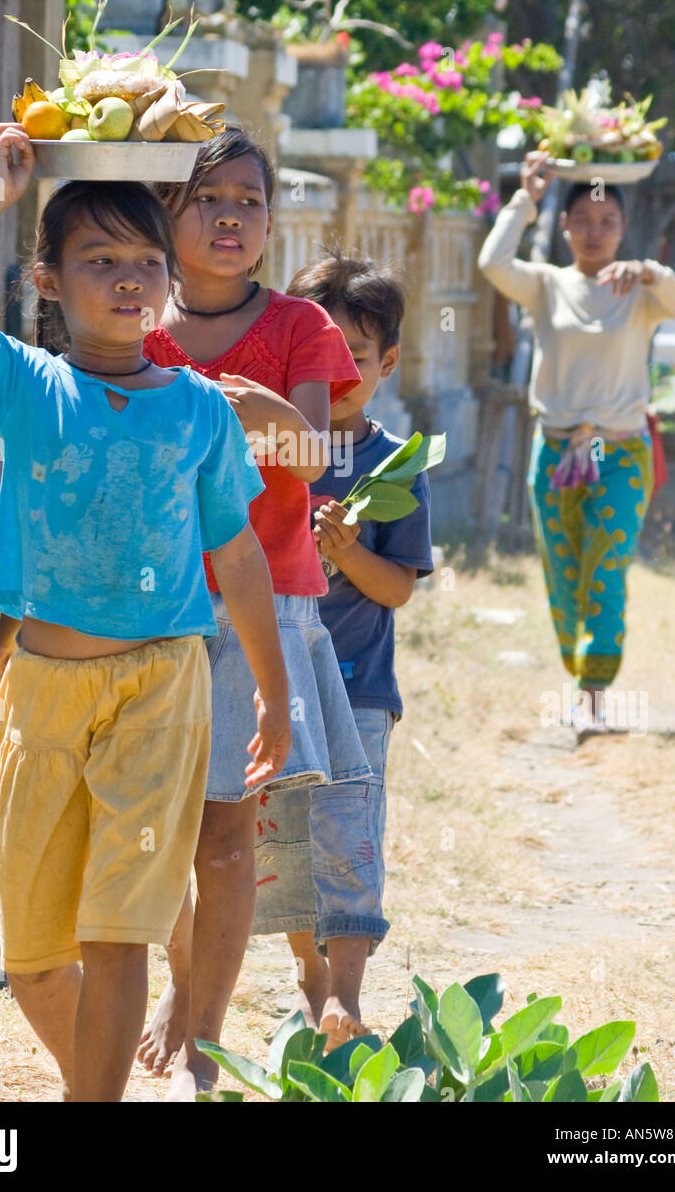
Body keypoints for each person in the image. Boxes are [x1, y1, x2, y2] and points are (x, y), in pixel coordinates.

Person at [0, 123, 290, 1102]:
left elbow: (235, 553)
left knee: (119, 934)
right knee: (32, 961)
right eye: (98, 259)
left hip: (160, 686)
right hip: (41, 696)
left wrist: (274, 698)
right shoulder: (25, 383)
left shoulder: (196, 409)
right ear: (50, 278)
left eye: (145, 261)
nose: (126, 279)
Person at [135, 128, 371, 1098]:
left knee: (226, 835)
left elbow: (314, 457)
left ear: (271, 222)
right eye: (207, 198)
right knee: (156, 833)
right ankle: (176, 985)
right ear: (166, 214)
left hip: (256, 609)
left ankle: (203, 1040)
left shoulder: (300, 330)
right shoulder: (131, 321)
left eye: (248, 200)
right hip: (140, 606)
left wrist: (255, 411)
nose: (230, 217)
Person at [252, 252, 435, 1047]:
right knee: (283, 834)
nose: (332, 375)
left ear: (386, 363)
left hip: (358, 689)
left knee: (349, 833)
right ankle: (310, 973)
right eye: (314, 358)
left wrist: (348, 552)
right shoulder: (266, 452)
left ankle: (348, 996)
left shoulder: (393, 465)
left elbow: (397, 589)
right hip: (272, 682)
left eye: (352, 359)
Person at [478, 151, 675, 738]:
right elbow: (493, 262)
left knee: (606, 567)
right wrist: (526, 198)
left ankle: (594, 696)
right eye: (584, 220)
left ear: (623, 229)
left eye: (608, 222)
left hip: (619, 451)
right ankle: (580, 678)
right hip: (553, 451)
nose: (595, 232)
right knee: (563, 571)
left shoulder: (640, 289)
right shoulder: (547, 285)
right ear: (566, 224)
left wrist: (649, 270)